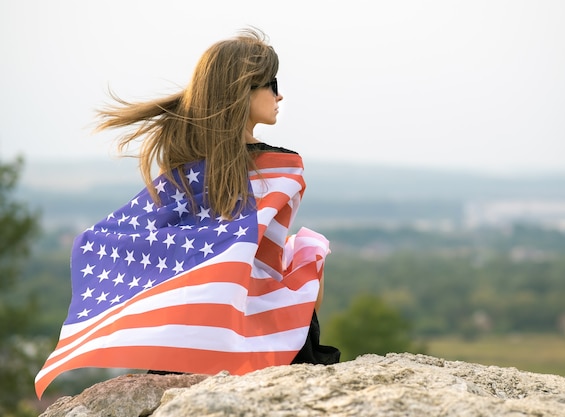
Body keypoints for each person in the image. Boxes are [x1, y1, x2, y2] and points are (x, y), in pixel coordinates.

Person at [34, 28, 339, 398]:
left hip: (192, 335)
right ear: (244, 90)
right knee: (310, 250)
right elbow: (268, 260)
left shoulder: (183, 173)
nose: (279, 95)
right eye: (271, 84)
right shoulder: (280, 167)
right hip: (261, 336)